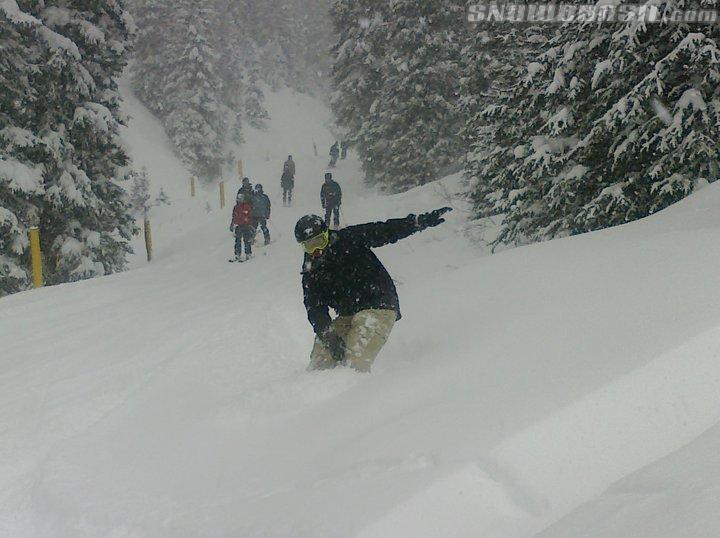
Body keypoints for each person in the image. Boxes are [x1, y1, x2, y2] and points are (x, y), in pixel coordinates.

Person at [295, 207, 452, 372]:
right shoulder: (311, 271)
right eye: (309, 246)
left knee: (353, 362)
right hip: (348, 314)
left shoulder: (348, 239)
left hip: (378, 305)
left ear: (327, 235)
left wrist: (418, 222)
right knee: (320, 363)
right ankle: (317, 393)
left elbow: (384, 231)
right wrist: (330, 337)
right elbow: (315, 308)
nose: (316, 250)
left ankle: (360, 392)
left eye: (319, 242)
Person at [230, 193, 255, 261]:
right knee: (237, 241)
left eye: (240, 199)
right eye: (238, 199)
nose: (239, 200)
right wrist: (232, 224)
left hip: (246, 225)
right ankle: (237, 254)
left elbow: (250, 215)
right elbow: (234, 216)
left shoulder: (246, 206)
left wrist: (249, 222)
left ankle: (248, 253)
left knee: (246, 240)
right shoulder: (236, 207)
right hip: (238, 226)